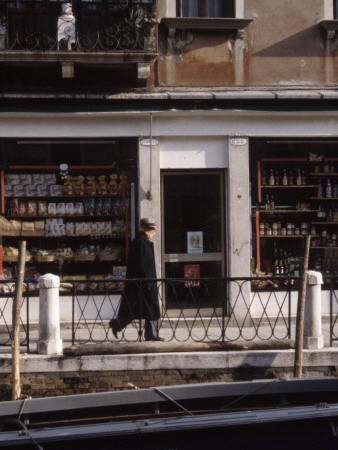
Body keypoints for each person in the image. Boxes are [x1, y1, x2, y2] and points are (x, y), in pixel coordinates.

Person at [109, 218, 163, 341]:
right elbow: (143, 265)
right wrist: (147, 283)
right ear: (147, 230)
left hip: (141, 283)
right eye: (152, 230)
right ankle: (150, 334)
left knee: (141, 308)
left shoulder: (140, 241)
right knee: (147, 307)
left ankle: (149, 334)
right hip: (144, 283)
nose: (154, 233)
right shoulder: (141, 243)